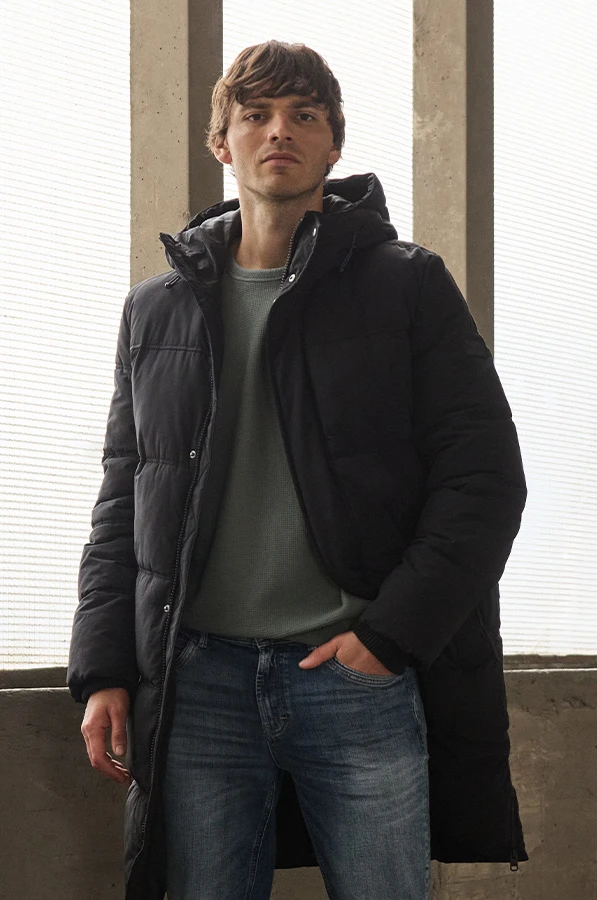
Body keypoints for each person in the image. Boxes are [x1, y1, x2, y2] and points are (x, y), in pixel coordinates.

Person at [67, 40, 528, 900]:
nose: (279, 130)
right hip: (198, 685)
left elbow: (484, 480)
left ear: (333, 144)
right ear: (222, 142)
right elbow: (124, 497)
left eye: (303, 114)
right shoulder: (155, 309)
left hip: (354, 679)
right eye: (256, 114)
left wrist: (387, 640)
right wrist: (102, 670)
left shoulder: (406, 285)